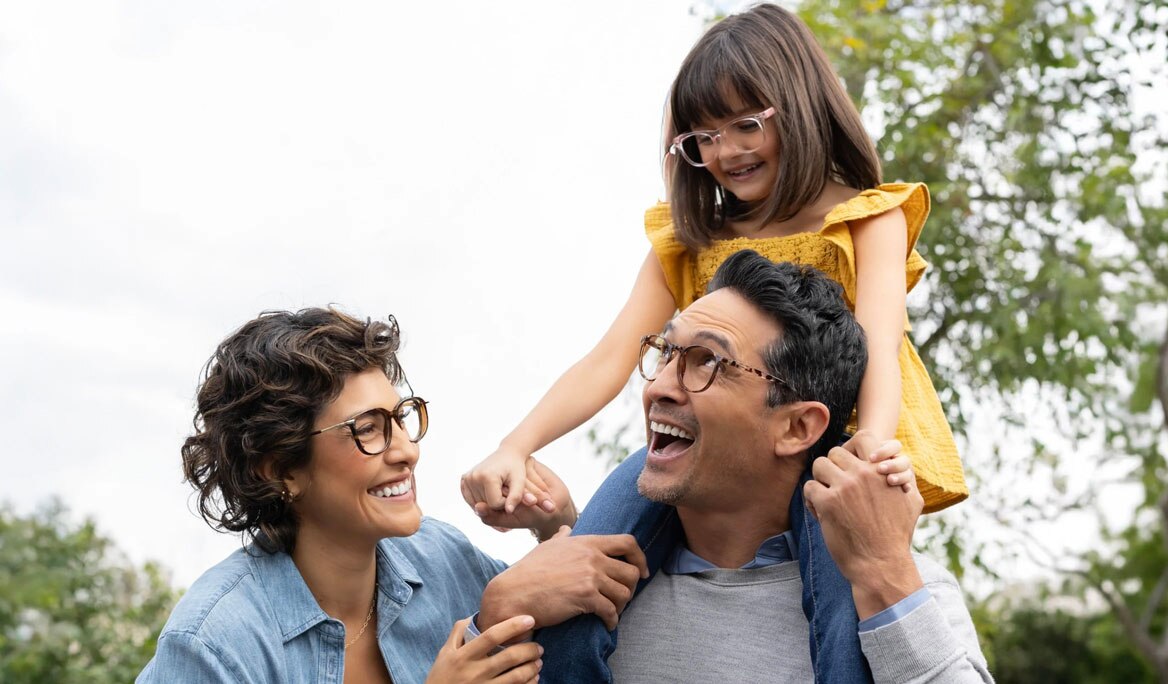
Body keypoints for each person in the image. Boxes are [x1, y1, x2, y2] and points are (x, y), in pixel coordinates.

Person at [463, 3, 967, 681]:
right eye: (702, 137)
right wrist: (517, 445)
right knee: (582, 571)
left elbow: (880, 341)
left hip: (830, 446)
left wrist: (870, 451)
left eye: (746, 124)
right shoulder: (692, 238)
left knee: (843, 611)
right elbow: (611, 357)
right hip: (710, 442)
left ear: (800, 107)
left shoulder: (865, 218)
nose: (726, 152)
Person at [518, 250, 986, 682]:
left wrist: (884, 574)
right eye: (666, 352)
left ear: (798, 427)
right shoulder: (570, 589)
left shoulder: (908, 596)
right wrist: (498, 613)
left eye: (708, 361)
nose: (658, 387)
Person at [138, 308, 647, 684]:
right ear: (281, 470)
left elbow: (559, 612)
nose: (407, 451)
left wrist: (552, 520)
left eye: (401, 418)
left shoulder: (440, 558)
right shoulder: (213, 644)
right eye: (367, 429)